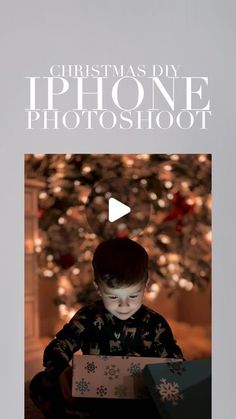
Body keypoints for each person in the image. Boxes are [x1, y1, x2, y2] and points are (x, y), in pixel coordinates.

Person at [30, 238, 183, 418]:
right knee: (40, 383)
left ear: (145, 284)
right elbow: (59, 345)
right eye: (113, 297)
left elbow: (176, 364)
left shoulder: (155, 323)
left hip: (139, 401)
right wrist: (61, 371)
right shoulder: (88, 317)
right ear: (98, 287)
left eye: (133, 296)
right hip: (95, 397)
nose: (124, 306)